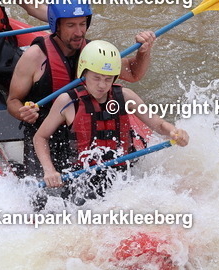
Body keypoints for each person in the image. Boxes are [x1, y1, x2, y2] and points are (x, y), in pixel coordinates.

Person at [6, 0, 156, 176]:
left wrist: (143, 51)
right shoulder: (34, 57)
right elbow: (13, 101)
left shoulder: (94, 51)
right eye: (71, 25)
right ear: (56, 26)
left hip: (89, 132)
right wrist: (23, 113)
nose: (79, 32)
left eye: (82, 24)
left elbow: (133, 73)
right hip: (48, 135)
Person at [35, 40, 188, 199]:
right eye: (96, 78)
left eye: (108, 79)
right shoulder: (67, 102)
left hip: (123, 176)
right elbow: (40, 137)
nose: (102, 85)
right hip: (82, 180)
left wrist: (174, 132)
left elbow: (158, 124)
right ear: (84, 73)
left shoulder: (126, 97)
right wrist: (49, 170)